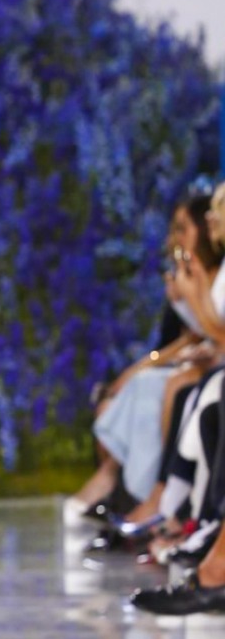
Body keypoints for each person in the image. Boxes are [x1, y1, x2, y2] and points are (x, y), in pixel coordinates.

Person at [63, 187, 224, 527]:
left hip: (213, 365)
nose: (173, 238)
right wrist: (138, 369)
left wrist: (191, 298)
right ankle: (138, 495)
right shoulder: (194, 273)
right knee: (144, 387)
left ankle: (168, 505)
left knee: (175, 389)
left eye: (182, 228)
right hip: (206, 360)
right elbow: (189, 338)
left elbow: (213, 332)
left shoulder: (208, 275)